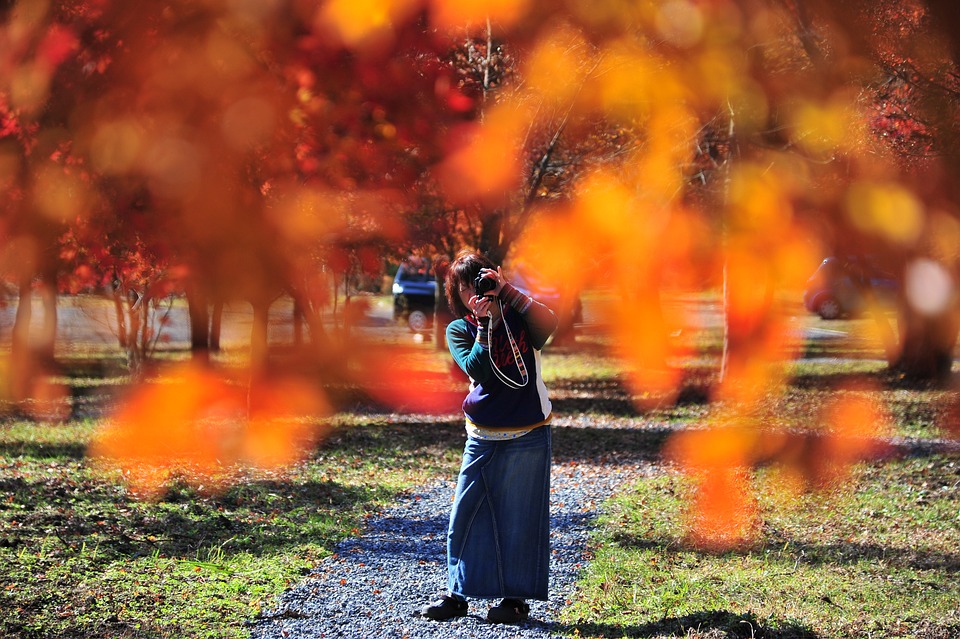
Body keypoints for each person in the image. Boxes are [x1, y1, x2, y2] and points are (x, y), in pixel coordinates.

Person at [420, 250, 558, 625]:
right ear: (456, 294)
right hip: (482, 435)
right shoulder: (460, 329)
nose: (472, 293)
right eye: (464, 288)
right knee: (465, 515)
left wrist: (509, 293)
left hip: (530, 430)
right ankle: (456, 595)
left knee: (522, 518)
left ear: (493, 279)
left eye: (478, 283)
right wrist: (484, 324)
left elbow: (548, 324)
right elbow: (477, 369)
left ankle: (514, 601)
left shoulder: (519, 317)